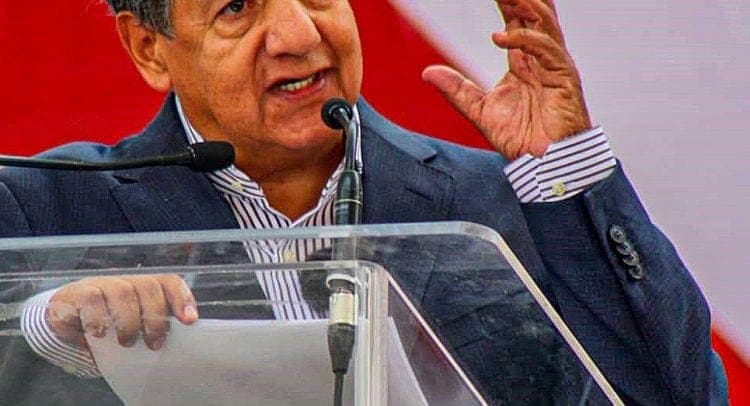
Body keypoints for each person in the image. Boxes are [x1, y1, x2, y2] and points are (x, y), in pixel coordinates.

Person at [0, 0, 728, 404]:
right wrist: (45, 329)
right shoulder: (47, 210)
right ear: (148, 47)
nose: (299, 33)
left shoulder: (506, 201)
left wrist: (562, 170)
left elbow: (679, 395)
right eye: (238, 7)